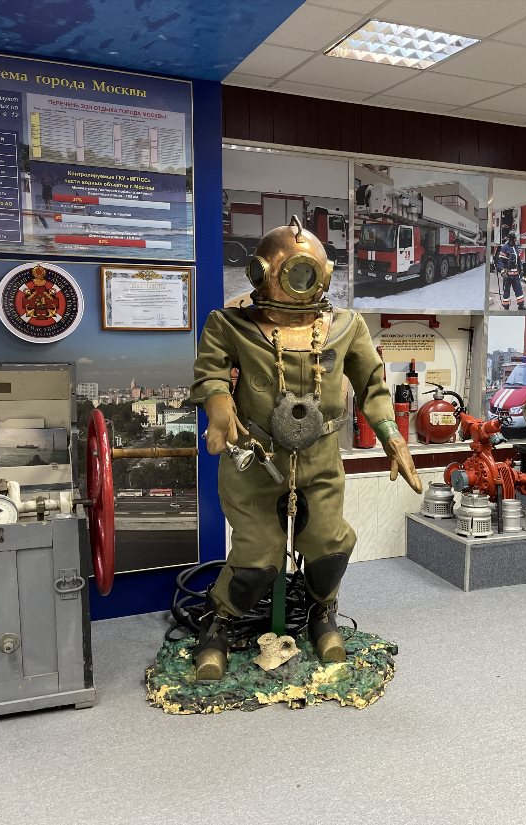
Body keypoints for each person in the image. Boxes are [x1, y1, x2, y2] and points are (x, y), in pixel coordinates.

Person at [190, 217, 422, 681]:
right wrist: (218, 406)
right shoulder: (230, 324)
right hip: (255, 460)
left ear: (324, 275)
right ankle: (219, 623)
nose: (299, 284)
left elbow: (373, 384)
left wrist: (391, 435)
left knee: (328, 546)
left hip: (320, 459)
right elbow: (210, 372)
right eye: (290, 272)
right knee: (259, 556)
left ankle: (322, 613)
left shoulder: (347, 326)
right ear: (260, 273)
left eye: (306, 272)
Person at [497, 231, 526, 311]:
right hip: (508, 274)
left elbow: (518, 259)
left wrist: (521, 268)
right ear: (512, 238)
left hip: (515, 274)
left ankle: (521, 305)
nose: (516, 239)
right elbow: (500, 261)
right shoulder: (505, 248)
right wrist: (503, 272)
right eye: (515, 238)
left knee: (519, 289)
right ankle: (506, 306)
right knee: (506, 291)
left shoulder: (516, 247)